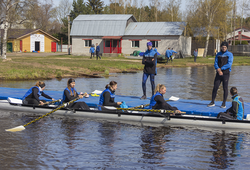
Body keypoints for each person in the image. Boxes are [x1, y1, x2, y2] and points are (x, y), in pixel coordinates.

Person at [207, 41, 233, 108]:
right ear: (221, 47)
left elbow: (229, 64)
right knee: (215, 87)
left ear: (227, 47)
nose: (223, 48)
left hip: (226, 73)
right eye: (222, 47)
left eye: (225, 47)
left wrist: (221, 69)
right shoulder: (218, 54)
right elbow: (215, 63)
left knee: (225, 88)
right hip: (218, 73)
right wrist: (218, 69)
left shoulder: (229, 54)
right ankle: (212, 102)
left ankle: (224, 103)